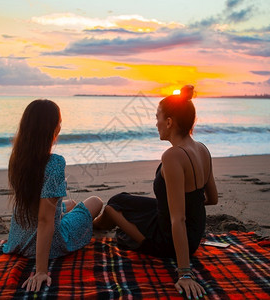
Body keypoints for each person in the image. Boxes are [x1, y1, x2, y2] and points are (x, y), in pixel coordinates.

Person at [93, 85, 218, 300]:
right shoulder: (202, 149)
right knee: (120, 199)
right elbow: (212, 199)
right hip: (194, 234)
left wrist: (185, 273)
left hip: (170, 240)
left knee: (113, 208)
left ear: (169, 122)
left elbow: (177, 219)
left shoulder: (172, 156)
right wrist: (187, 205)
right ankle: (95, 221)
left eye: (157, 117)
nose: (156, 123)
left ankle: (91, 224)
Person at [3, 99, 103, 292]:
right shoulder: (54, 163)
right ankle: (86, 223)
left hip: (18, 238)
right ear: (52, 129)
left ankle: (71, 213)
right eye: (59, 122)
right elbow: (45, 220)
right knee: (95, 202)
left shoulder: (17, 159)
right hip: (43, 243)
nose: (60, 125)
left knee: (71, 202)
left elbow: (38, 208)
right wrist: (41, 270)